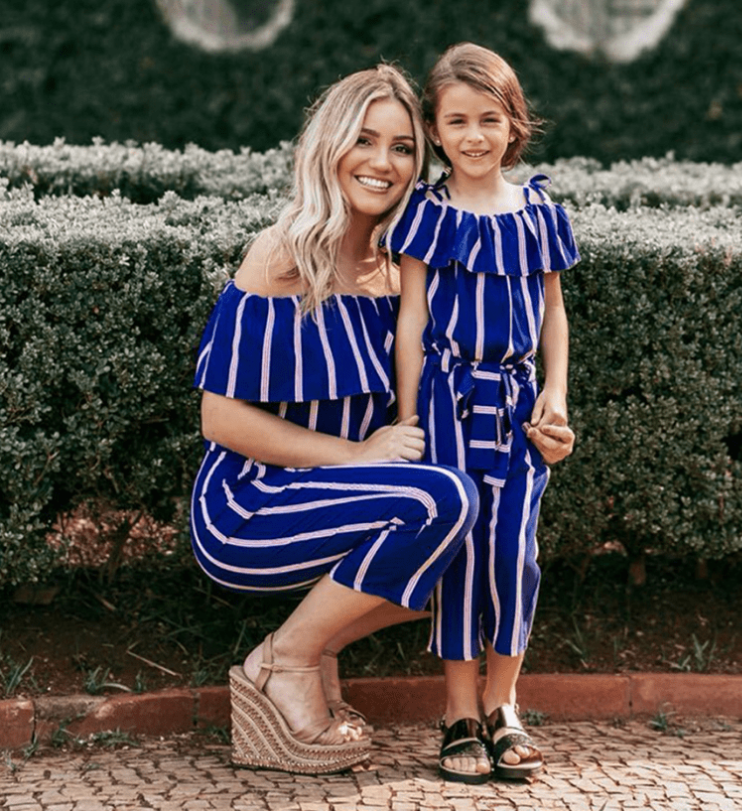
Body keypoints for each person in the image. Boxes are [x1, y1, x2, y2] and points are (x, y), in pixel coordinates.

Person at [189, 64, 479, 775]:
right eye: (365, 139)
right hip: (249, 505)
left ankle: (308, 649)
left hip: (339, 495)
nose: (383, 162)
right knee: (441, 501)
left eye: (404, 147)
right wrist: (358, 455)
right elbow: (220, 417)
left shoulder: (396, 272)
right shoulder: (284, 254)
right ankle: (283, 661)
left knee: (474, 540)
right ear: (329, 145)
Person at [386, 43, 578, 783]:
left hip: (518, 408)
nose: (474, 135)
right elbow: (409, 322)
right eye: (457, 120)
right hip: (444, 401)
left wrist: (555, 392)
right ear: (435, 130)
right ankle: (459, 713)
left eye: (489, 119)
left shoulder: (540, 212)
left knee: (514, 556)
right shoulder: (426, 216)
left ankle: (505, 704)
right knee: (460, 556)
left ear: (513, 124)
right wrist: (407, 418)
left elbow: (553, 314)